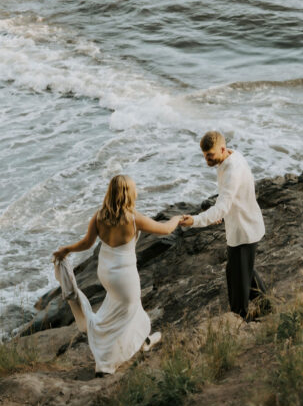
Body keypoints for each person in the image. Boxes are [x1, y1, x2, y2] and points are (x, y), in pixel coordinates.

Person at [52, 175, 181, 376]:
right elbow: (165, 230)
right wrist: (178, 218)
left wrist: (66, 250)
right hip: (124, 276)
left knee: (125, 311)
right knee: (127, 313)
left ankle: (144, 342)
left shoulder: (99, 216)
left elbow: (86, 244)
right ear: (128, 193)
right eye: (134, 188)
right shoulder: (133, 218)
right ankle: (106, 363)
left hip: (105, 272)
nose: (136, 191)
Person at [180, 131, 266, 319]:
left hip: (243, 231)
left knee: (238, 283)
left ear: (222, 149)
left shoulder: (232, 170)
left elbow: (223, 204)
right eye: (204, 156)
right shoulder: (231, 157)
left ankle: (239, 320)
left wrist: (195, 220)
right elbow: (228, 199)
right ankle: (267, 309)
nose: (206, 160)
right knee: (243, 272)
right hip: (244, 224)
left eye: (209, 155)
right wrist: (223, 211)